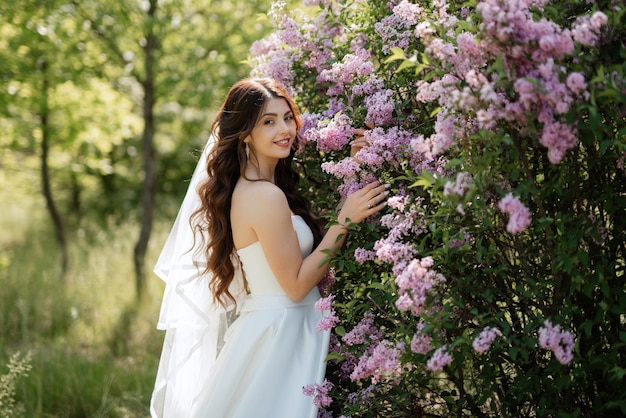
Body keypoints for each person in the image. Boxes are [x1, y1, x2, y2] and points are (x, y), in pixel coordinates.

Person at [150, 78, 388, 418]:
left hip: (282, 325)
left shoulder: (263, 187)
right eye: (268, 121)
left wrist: (353, 174)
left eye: (287, 117)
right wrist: (344, 222)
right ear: (245, 133)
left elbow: (300, 255)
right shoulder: (263, 195)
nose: (285, 129)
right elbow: (294, 285)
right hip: (281, 333)